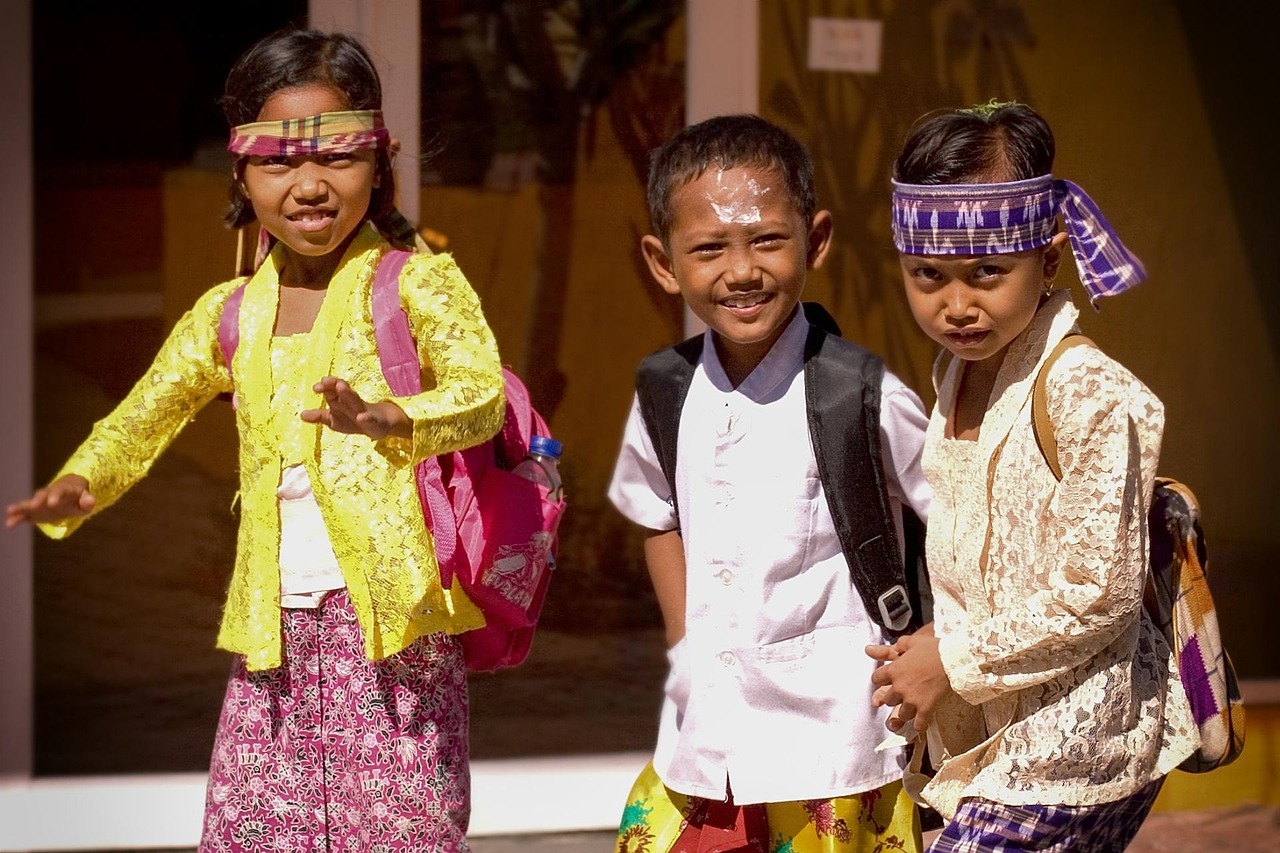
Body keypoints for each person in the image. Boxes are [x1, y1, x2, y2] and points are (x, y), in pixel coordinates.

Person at [5, 27, 506, 852]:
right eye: (279, 162)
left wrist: (393, 419)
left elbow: (480, 393)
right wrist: (83, 481)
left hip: (392, 640)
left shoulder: (416, 281)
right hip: (268, 640)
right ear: (240, 170)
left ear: (380, 164)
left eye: (338, 157)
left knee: (401, 834)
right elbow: (147, 412)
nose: (310, 186)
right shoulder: (227, 310)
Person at [865, 100, 1200, 852]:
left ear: (1048, 259)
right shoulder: (957, 370)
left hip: (1075, 748)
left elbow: (1099, 591)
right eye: (928, 276)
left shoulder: (1090, 391)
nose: (957, 305)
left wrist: (952, 658)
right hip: (992, 740)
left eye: (987, 272)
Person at [608, 113, 932, 853]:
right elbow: (656, 512)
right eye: (709, 248)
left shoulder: (862, 393)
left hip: (833, 746)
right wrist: (685, 635)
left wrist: (936, 646)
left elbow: (954, 520)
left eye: (766, 240)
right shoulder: (666, 391)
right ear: (664, 263)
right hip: (706, 739)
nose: (741, 269)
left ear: (814, 241)